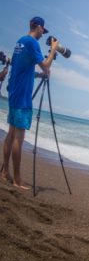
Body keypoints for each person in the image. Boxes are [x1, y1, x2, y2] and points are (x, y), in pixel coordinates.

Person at [1, 17, 57, 189]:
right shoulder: (32, 43)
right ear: (38, 27)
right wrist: (53, 50)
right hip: (23, 96)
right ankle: (17, 179)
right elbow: (45, 65)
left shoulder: (20, 42)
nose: (43, 34)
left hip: (14, 92)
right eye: (43, 30)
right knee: (19, 136)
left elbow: (22, 70)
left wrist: (40, 76)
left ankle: (4, 172)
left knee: (11, 134)